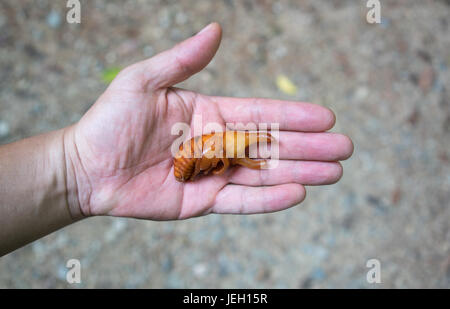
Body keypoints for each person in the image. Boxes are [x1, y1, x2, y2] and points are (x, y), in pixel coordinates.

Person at [0, 23, 353, 256]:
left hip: (200, 157)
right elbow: (217, 159)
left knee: (231, 150)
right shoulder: (203, 157)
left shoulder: (211, 153)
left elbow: (219, 158)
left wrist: (76, 169)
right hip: (196, 159)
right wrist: (75, 167)